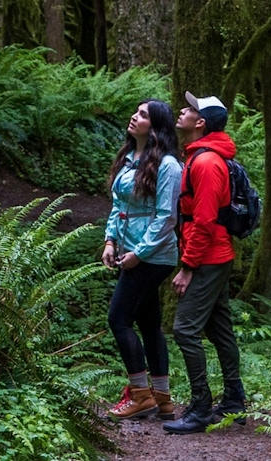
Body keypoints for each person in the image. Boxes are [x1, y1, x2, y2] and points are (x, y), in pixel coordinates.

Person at [163, 92, 247, 434]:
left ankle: (200, 407)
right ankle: (233, 401)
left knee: (185, 329)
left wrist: (187, 267)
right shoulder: (198, 157)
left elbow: (205, 221)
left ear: (200, 123)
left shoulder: (207, 163)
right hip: (213, 256)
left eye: (189, 109)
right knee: (219, 328)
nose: (181, 111)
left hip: (209, 258)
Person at [102, 99, 183, 420]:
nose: (135, 118)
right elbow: (118, 206)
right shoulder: (129, 160)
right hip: (129, 251)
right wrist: (110, 240)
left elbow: (166, 218)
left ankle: (139, 395)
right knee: (149, 323)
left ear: (157, 126)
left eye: (144, 115)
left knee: (118, 318)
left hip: (154, 255)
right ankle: (161, 397)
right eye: (135, 112)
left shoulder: (168, 166)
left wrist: (140, 253)